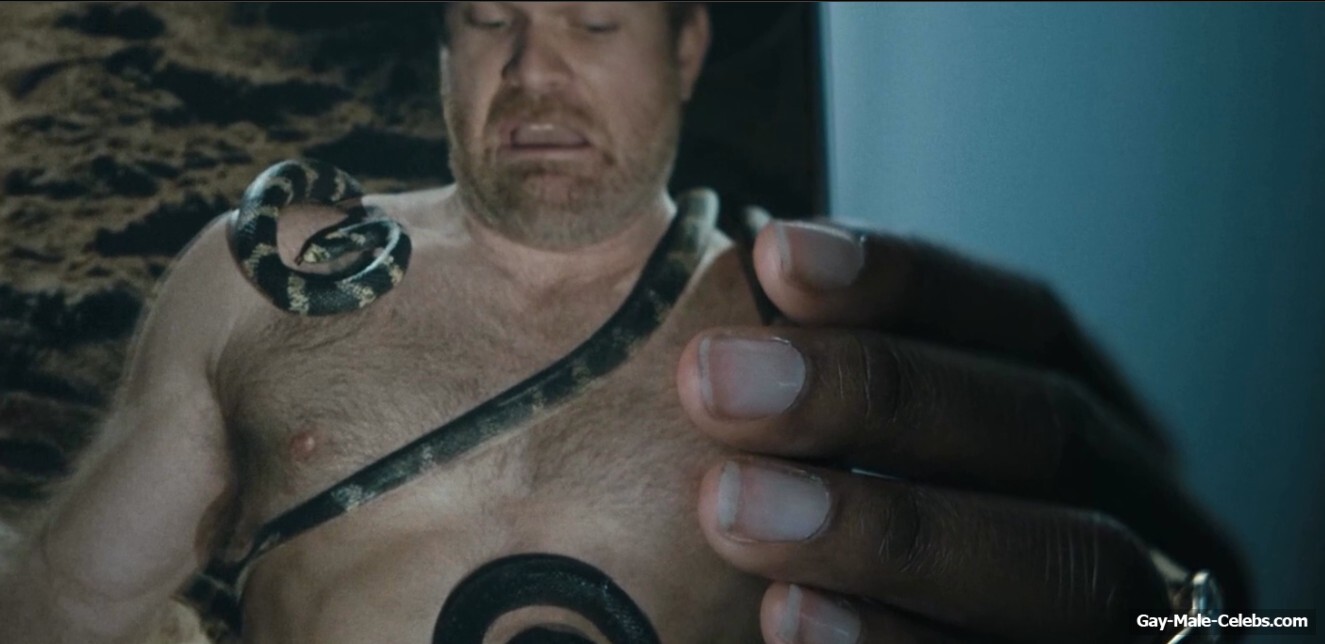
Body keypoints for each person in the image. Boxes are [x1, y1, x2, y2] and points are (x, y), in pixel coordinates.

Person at [0, 3, 1245, 643]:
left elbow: (1203, 615)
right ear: (442, 51)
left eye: (594, 22)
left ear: (685, 46)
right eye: (489, 21)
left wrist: (1217, 619)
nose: (533, 70)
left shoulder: (818, 344)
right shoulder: (263, 274)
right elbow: (57, 603)